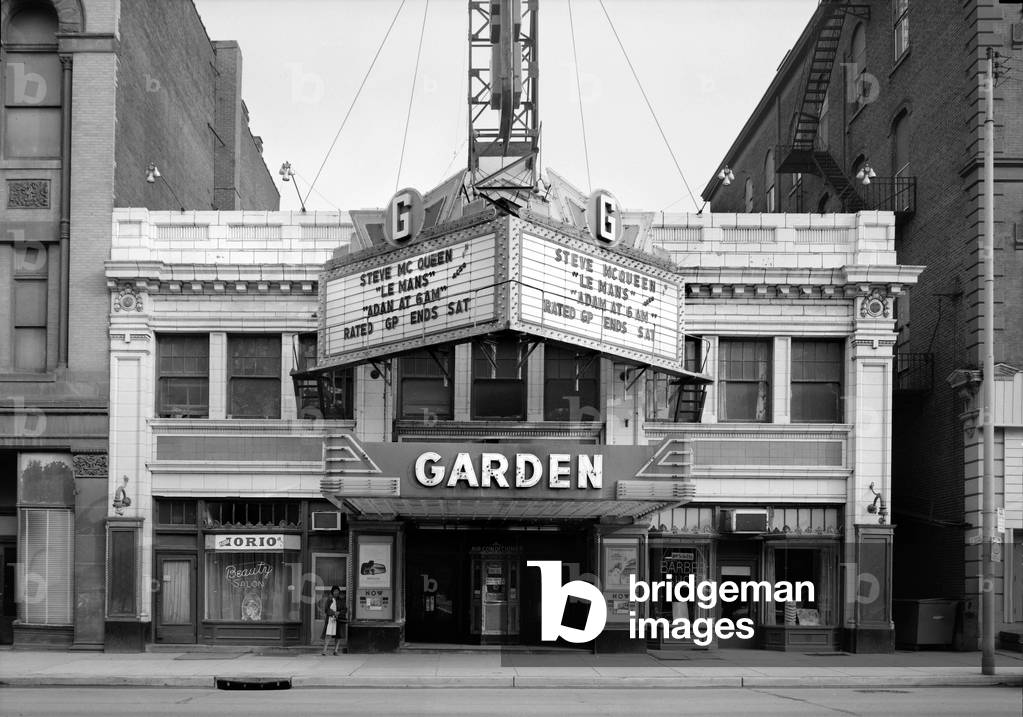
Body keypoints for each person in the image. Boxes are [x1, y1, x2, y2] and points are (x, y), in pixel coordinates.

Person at [320, 585, 347, 656]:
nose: (336, 592)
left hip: (338, 619)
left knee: (338, 635)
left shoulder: (341, 600)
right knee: (328, 634)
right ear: (332, 592)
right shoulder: (329, 600)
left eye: (337, 591)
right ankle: (324, 650)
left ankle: (336, 650)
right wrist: (333, 613)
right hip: (330, 619)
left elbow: (345, 609)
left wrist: (339, 613)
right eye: (335, 591)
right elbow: (326, 609)